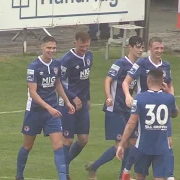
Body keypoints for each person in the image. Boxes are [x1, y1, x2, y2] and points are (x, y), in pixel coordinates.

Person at [15, 36, 75, 180]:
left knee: (58, 146)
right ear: (41, 47)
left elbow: (58, 84)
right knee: (27, 146)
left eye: (53, 48)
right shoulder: (33, 67)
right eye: (48, 48)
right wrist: (49, 108)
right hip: (34, 112)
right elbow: (33, 92)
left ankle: (62, 178)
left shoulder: (57, 64)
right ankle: (19, 175)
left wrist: (67, 101)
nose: (51, 51)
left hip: (52, 112)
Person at [84, 36, 144, 180]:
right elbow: (108, 80)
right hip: (115, 109)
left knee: (133, 142)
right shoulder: (120, 63)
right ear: (129, 47)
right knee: (120, 145)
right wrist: (108, 97)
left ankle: (123, 176)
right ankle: (94, 167)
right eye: (137, 47)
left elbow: (134, 86)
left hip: (129, 109)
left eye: (142, 47)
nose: (140, 50)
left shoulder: (139, 66)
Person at [122, 37, 176, 180]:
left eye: (161, 48)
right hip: (143, 108)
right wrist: (128, 96)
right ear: (150, 49)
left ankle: (168, 174)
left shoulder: (166, 65)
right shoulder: (142, 63)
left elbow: (170, 85)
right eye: (156, 48)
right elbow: (126, 82)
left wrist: (171, 98)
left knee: (167, 141)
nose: (159, 51)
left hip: (162, 107)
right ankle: (127, 170)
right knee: (139, 141)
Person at [59, 31, 93, 180]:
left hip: (83, 103)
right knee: (67, 140)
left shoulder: (90, 56)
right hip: (68, 104)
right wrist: (73, 98)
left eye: (86, 45)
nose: (84, 48)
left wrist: (88, 98)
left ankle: (64, 163)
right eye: (81, 46)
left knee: (83, 139)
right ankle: (64, 173)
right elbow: (59, 83)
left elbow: (86, 80)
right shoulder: (66, 60)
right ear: (75, 42)